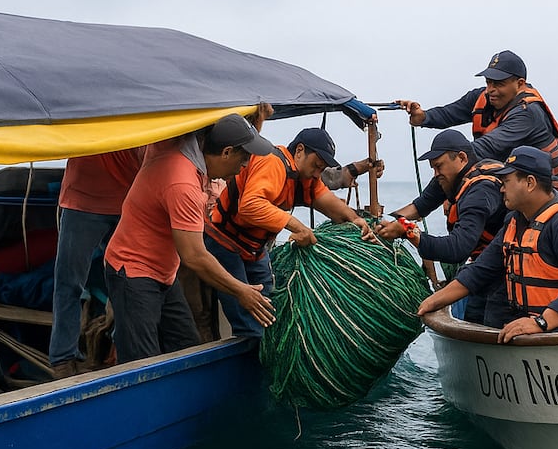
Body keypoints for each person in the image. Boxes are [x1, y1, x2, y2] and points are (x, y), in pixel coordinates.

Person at [103, 114, 277, 363]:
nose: (246, 165)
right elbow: (194, 256)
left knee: (185, 348)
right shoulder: (183, 184)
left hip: (164, 272)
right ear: (226, 152)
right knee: (140, 363)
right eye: (244, 157)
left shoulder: (181, 146)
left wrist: (253, 125)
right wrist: (242, 291)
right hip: (132, 272)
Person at [416, 146, 558, 342]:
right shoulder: (515, 220)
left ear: (530, 183)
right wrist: (433, 301)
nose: (501, 188)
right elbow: (480, 271)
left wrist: (541, 323)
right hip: (546, 329)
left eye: (506, 181)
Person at [203, 127, 375, 337]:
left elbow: (330, 205)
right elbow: (249, 206)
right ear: (299, 150)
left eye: (322, 169)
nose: (317, 173)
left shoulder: (305, 178)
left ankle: (262, 346)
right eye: (316, 165)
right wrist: (297, 226)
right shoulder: (273, 162)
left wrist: (355, 219)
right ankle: (249, 355)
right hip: (224, 242)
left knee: (268, 307)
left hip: (254, 249)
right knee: (247, 314)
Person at [395, 50, 558, 199]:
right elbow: (450, 112)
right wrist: (423, 117)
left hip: (551, 192)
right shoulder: (484, 97)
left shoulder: (527, 113)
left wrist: (428, 199)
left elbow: (481, 149)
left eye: (499, 84)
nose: (491, 90)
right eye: (488, 82)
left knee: (473, 192)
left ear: (520, 84)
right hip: (516, 186)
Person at [374, 129, 508, 325]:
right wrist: (383, 224)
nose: (436, 174)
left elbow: (457, 249)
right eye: (432, 168)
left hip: (505, 270)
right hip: (487, 265)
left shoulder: (480, 191)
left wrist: (408, 232)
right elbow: (420, 206)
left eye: (438, 166)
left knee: (484, 318)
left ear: (461, 158)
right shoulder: (454, 174)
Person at [49, 146, 146, 378]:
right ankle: (63, 360)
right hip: (82, 201)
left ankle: (124, 353)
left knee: (134, 283)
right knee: (69, 283)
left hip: (131, 200)